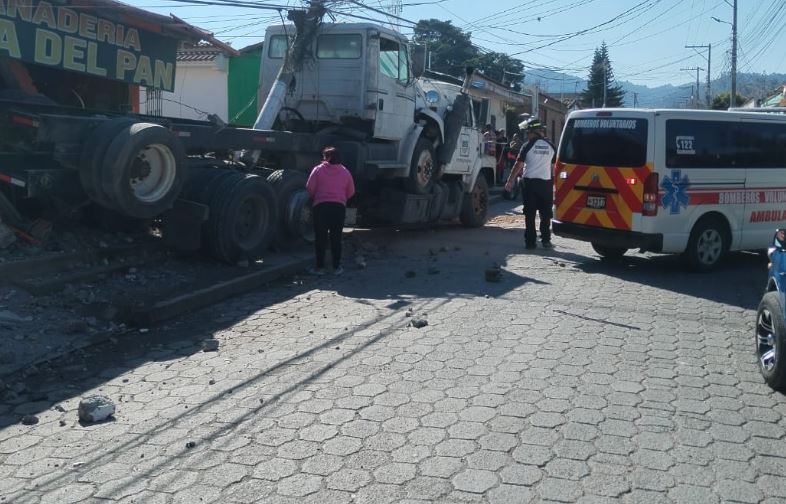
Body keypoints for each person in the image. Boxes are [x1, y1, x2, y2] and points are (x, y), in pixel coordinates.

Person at [504, 118, 556, 250]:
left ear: (533, 132)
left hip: (530, 184)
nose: (527, 135)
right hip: (546, 185)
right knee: (545, 215)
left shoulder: (527, 146)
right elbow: (554, 166)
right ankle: (546, 240)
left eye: (528, 132)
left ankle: (530, 242)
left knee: (530, 214)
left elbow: (518, 165)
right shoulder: (551, 146)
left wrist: (510, 180)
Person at [306, 146, 355, 275]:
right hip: (338, 208)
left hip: (321, 207)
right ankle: (336, 267)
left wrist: (317, 197)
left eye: (324, 156)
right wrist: (341, 198)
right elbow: (351, 191)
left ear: (326, 157)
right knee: (336, 238)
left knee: (320, 238)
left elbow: (309, 187)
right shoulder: (345, 172)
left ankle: (320, 268)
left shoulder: (317, 170)